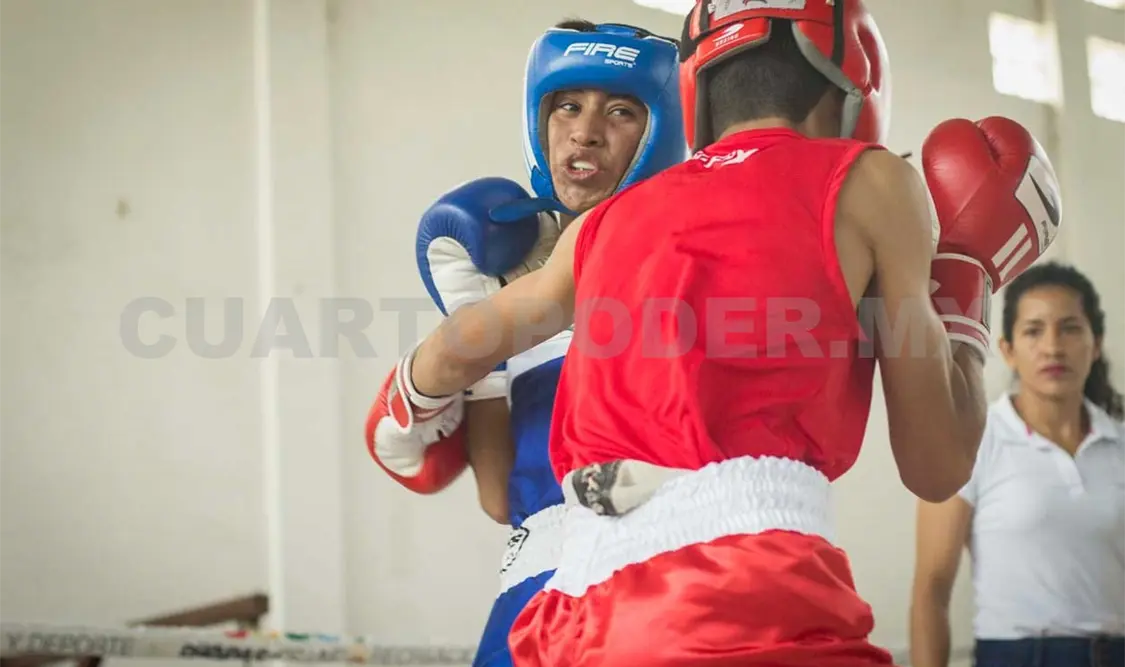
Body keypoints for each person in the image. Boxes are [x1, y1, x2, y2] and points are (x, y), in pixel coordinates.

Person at [369, 0, 1063, 664]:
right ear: (855, 86)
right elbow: (936, 465)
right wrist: (963, 281)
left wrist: (405, 397)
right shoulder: (873, 181)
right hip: (743, 585)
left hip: (574, 613)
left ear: (693, 89)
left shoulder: (600, 227)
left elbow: (451, 352)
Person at [365, 20, 686, 667]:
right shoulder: (515, 276)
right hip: (535, 591)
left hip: (659, 584)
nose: (585, 131)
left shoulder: (684, 253)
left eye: (620, 111)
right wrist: (475, 318)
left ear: (662, 131)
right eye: (566, 105)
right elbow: (500, 495)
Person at [910, 262, 1125, 667]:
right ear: (1007, 350)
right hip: (1016, 655)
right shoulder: (973, 439)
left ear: (1095, 345)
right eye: (1033, 330)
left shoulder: (1119, 444)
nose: (1053, 347)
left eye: (1070, 328)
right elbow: (931, 591)